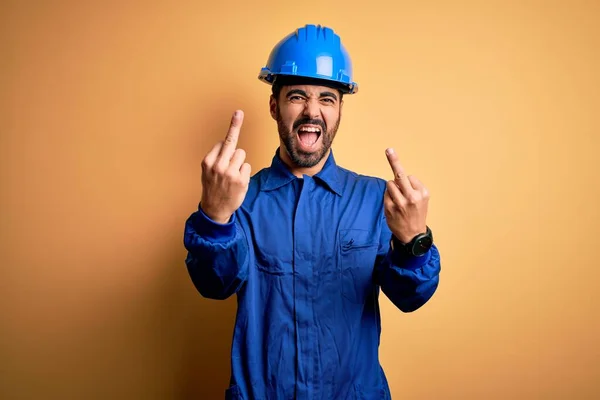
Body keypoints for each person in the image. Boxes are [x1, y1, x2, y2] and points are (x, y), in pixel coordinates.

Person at [183, 24, 441, 400]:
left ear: (339, 111)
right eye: (297, 97)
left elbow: (411, 297)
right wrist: (214, 218)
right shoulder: (240, 198)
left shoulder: (376, 199)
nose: (312, 112)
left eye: (327, 99)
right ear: (274, 106)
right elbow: (213, 285)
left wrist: (414, 241)